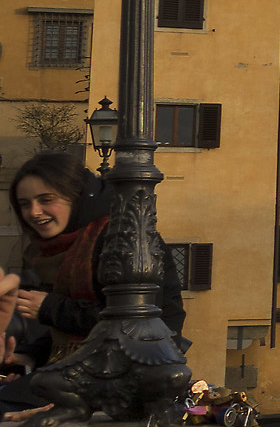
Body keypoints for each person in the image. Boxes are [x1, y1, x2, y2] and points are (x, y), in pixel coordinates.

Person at [11, 152, 186, 374]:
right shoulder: (46, 252)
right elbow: (63, 334)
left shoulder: (120, 239)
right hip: (79, 373)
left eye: (46, 200)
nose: (34, 212)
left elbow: (134, 321)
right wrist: (29, 356)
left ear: (77, 196)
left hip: (130, 376)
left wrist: (50, 308)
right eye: (24, 204)